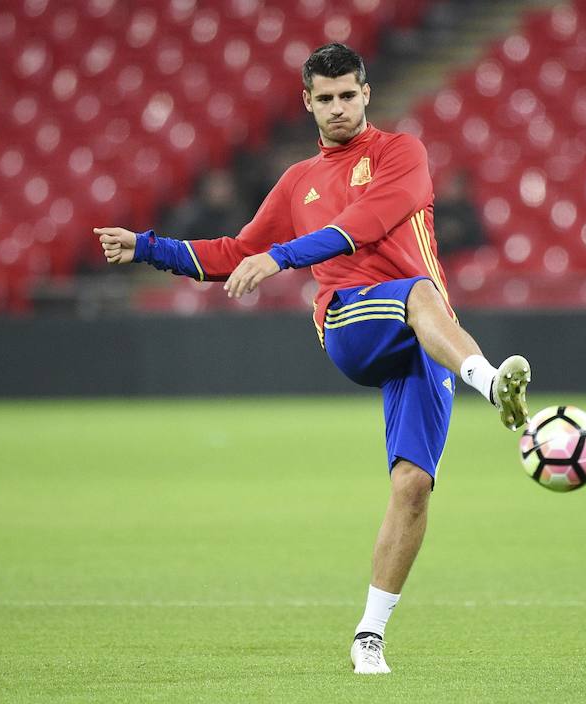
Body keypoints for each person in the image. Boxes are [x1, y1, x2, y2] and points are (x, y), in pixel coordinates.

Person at [94, 43, 531, 676]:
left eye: (347, 94)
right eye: (324, 98)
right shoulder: (297, 182)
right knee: (420, 294)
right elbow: (232, 253)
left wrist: (280, 256)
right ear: (308, 102)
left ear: (366, 94)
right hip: (350, 321)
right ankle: (493, 385)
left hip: (424, 337)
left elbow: (369, 221)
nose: (337, 107)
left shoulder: (401, 154)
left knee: (413, 488)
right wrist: (146, 247)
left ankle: (369, 637)